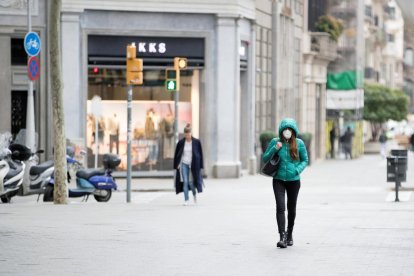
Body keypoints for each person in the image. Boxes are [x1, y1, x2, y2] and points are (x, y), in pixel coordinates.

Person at [262, 118, 308, 249]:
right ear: (281, 131)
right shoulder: (275, 142)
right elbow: (265, 158)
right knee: (280, 207)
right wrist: (274, 149)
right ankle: (282, 236)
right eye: (284, 129)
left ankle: (290, 234)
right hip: (278, 180)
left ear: (293, 131)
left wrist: (297, 170)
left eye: (289, 130)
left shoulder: (299, 143)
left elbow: (305, 160)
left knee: (291, 209)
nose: (287, 132)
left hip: (294, 181)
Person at [173, 124, 204, 206]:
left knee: (190, 182)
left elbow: (200, 154)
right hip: (184, 164)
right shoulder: (181, 143)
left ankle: (194, 194)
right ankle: (186, 199)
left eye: (188, 134)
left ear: (191, 133)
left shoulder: (197, 142)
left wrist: (201, 166)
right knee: (185, 182)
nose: (187, 136)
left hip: (193, 165)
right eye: (186, 134)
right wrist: (177, 164)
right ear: (184, 134)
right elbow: (177, 154)